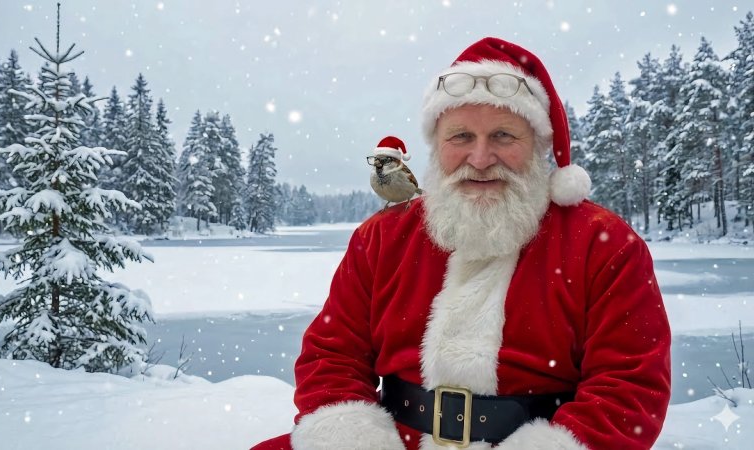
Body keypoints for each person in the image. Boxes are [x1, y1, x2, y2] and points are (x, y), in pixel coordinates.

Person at [252, 37, 671, 450]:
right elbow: (332, 356)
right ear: (437, 147)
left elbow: (628, 388)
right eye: (461, 137)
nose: (481, 157)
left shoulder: (604, 243)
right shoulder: (382, 238)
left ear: (538, 146)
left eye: (504, 135)